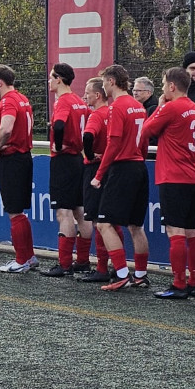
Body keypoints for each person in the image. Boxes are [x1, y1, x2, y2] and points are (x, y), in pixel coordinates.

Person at [142, 67, 195, 299]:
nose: (163, 89)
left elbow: (146, 130)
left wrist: (160, 106)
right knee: (193, 230)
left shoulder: (171, 107)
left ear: (172, 86)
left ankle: (179, 284)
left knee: (175, 230)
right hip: (193, 176)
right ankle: (194, 282)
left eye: (164, 84)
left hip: (173, 176)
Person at [90, 65, 151, 291]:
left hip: (123, 168)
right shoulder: (138, 106)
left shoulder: (117, 107)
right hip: (139, 167)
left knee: (104, 223)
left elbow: (113, 144)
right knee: (136, 226)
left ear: (112, 81)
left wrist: (99, 175)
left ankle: (122, 274)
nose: (103, 86)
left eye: (104, 82)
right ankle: (141, 275)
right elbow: (143, 142)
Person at [0, 65, 38, 274]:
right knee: (19, 212)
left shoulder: (8, 101)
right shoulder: (22, 98)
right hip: (24, 157)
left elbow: (7, 128)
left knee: (14, 212)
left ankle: (21, 259)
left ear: (0, 82)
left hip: (13, 158)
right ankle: (29, 256)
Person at [43, 63, 91, 277]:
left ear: (59, 79)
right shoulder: (80, 101)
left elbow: (60, 125)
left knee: (64, 212)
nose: (49, 81)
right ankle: (82, 261)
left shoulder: (63, 101)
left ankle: (64, 264)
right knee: (80, 211)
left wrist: (59, 144)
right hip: (78, 159)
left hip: (64, 160)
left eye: (51, 77)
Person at [76, 78, 115, 282]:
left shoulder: (96, 115)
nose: (85, 95)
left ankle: (101, 268)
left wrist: (90, 156)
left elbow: (87, 137)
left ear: (97, 95)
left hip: (96, 169)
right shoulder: (113, 112)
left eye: (88, 92)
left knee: (98, 220)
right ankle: (118, 266)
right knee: (112, 220)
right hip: (114, 168)